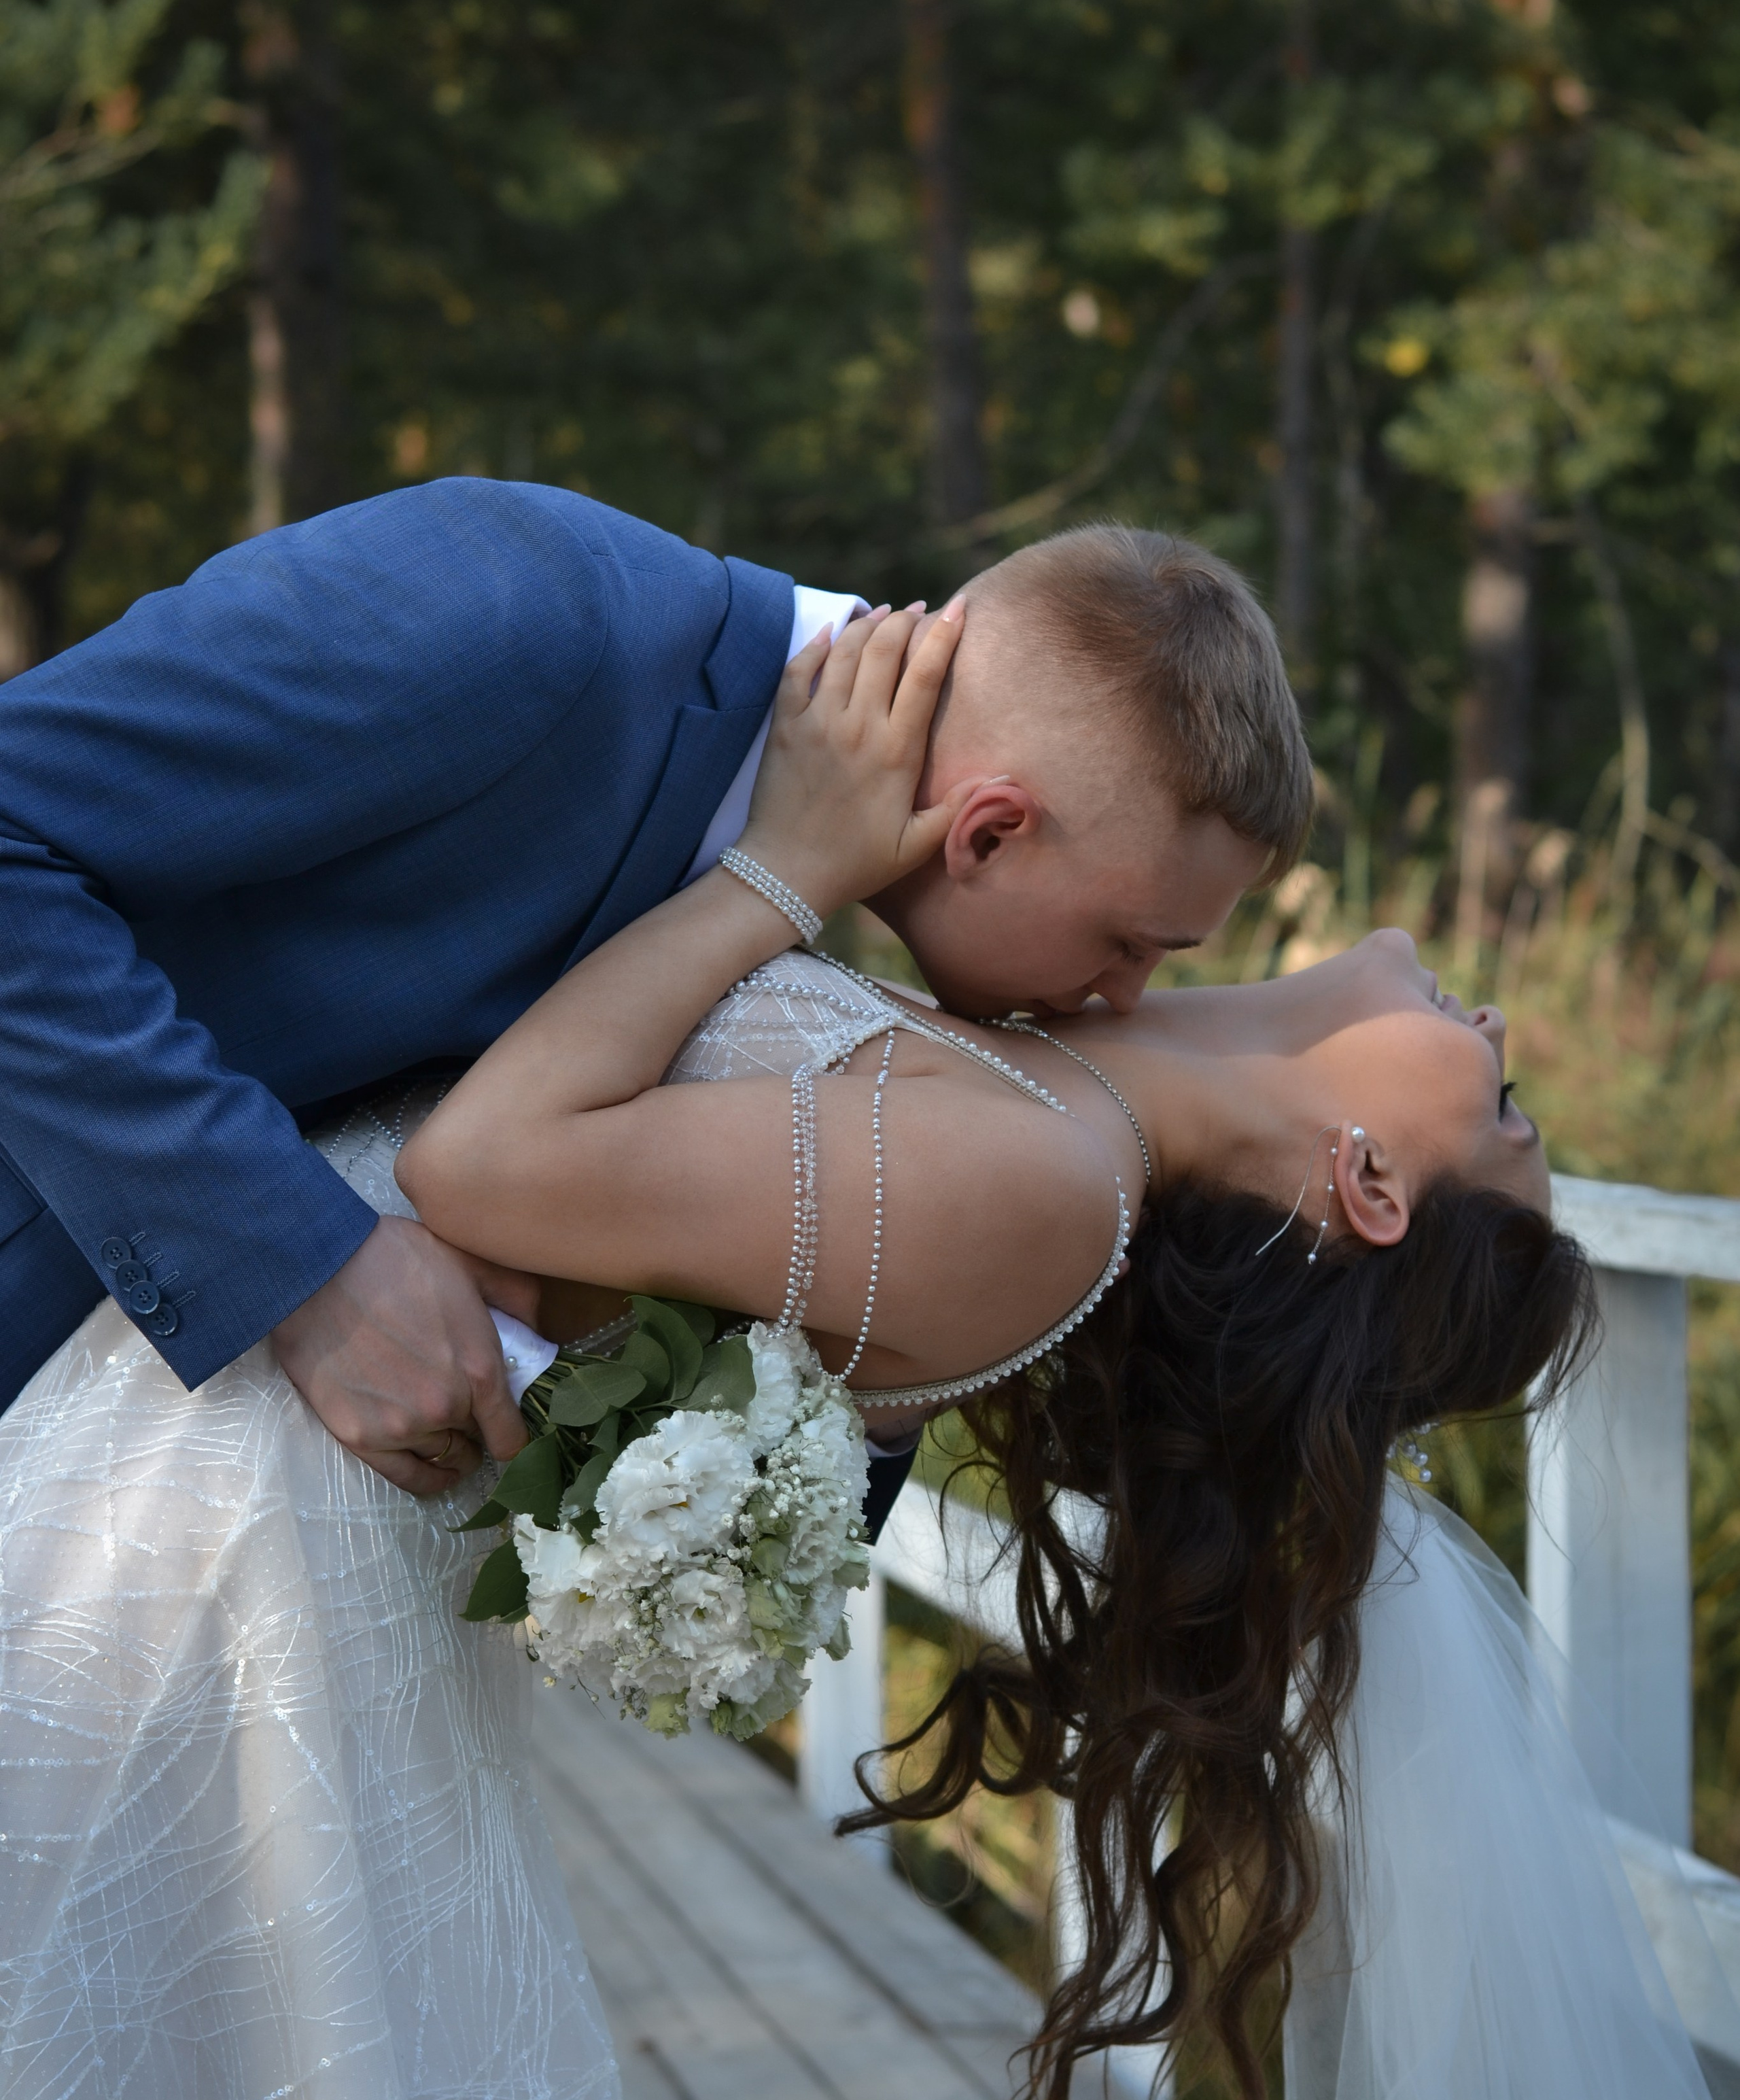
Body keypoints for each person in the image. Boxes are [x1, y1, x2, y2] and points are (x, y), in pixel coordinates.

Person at [3, 599, 1731, 2100]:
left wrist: (779, 872)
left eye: (1499, 1108)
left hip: (221, 1556)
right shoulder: (1054, 1092)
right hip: (220, 1479)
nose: (1495, 1035)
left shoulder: (1053, 1182)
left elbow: (481, 1170)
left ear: (1374, 1188)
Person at [0, 490, 1308, 1557]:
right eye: (1132, 942)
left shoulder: (784, 913)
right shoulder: (524, 607)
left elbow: (747, 1529)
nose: (1127, 997)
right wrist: (307, 1271)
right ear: (991, 831)